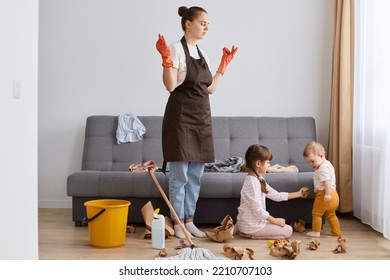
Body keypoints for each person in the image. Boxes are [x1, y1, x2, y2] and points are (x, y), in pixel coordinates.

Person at [155, 6, 238, 239]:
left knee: (195, 176)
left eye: (208, 24)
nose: (206, 27)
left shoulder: (203, 54)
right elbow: (171, 86)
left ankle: (189, 220)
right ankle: (178, 220)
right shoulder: (175, 49)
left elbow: (210, 88)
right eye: (203, 23)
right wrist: (165, 60)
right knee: (179, 174)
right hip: (180, 118)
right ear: (188, 23)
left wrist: (223, 66)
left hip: (201, 119)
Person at [236, 144, 309, 239]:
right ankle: (248, 234)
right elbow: (258, 211)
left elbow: (276, 195)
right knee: (288, 230)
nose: (269, 165)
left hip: (252, 222)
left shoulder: (259, 179)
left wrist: (299, 194)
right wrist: (275, 221)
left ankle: (241, 228)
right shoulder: (252, 183)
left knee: (283, 227)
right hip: (252, 226)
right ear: (258, 163)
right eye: (267, 162)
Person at [303, 141, 341, 237]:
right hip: (334, 195)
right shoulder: (328, 164)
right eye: (309, 162)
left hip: (325, 194)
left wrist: (327, 194)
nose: (311, 164)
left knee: (316, 214)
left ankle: (316, 231)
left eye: (312, 161)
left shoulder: (323, 169)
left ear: (321, 155)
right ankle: (336, 232)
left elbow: (327, 182)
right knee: (331, 215)